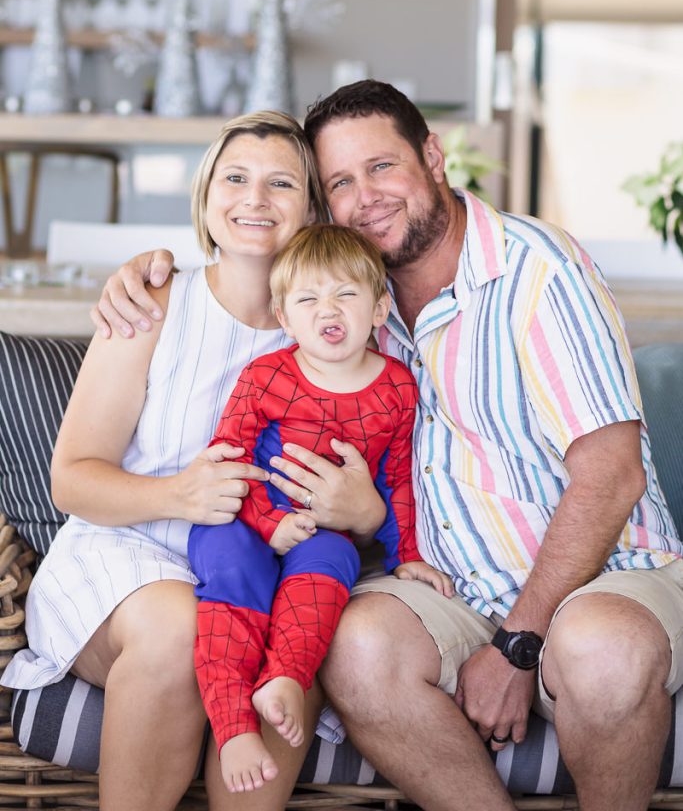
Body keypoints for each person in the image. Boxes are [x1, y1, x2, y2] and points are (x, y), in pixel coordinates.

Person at [92, 79, 683, 811]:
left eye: (381, 167)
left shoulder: (537, 272)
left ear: (432, 157)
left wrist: (517, 645)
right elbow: (236, 276)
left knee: (600, 648)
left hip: (599, 576)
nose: (365, 196)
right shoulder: (345, 304)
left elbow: (610, 477)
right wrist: (144, 269)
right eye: (339, 182)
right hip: (455, 586)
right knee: (352, 644)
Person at [2, 111, 393, 811]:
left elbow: (371, 490)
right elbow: (72, 478)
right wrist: (179, 496)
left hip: (261, 561)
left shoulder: (340, 325)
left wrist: (364, 513)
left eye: (281, 184)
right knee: (180, 624)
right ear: (206, 196)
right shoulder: (153, 299)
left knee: (289, 644)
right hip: (125, 552)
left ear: (309, 209)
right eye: (234, 178)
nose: (254, 199)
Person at [191, 222, 452, 794]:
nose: (326, 310)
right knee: (234, 579)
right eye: (308, 298)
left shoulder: (397, 389)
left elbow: (400, 478)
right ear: (285, 317)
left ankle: (285, 676)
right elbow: (226, 458)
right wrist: (270, 522)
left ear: (380, 308)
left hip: (323, 532)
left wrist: (406, 552)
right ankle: (234, 725)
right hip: (244, 518)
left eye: (346, 294)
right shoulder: (267, 376)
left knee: (334, 563)